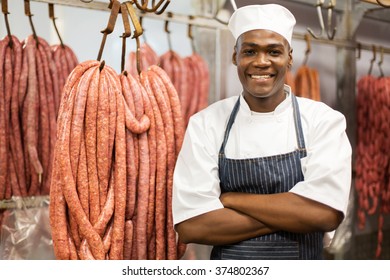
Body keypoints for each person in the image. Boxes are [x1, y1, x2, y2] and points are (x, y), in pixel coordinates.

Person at [172, 4, 352, 260]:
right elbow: (192, 225)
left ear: (289, 57)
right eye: (249, 51)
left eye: (274, 51)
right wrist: (296, 213)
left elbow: (325, 214)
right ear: (235, 56)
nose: (261, 62)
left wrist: (232, 199)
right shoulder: (206, 123)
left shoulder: (323, 121)